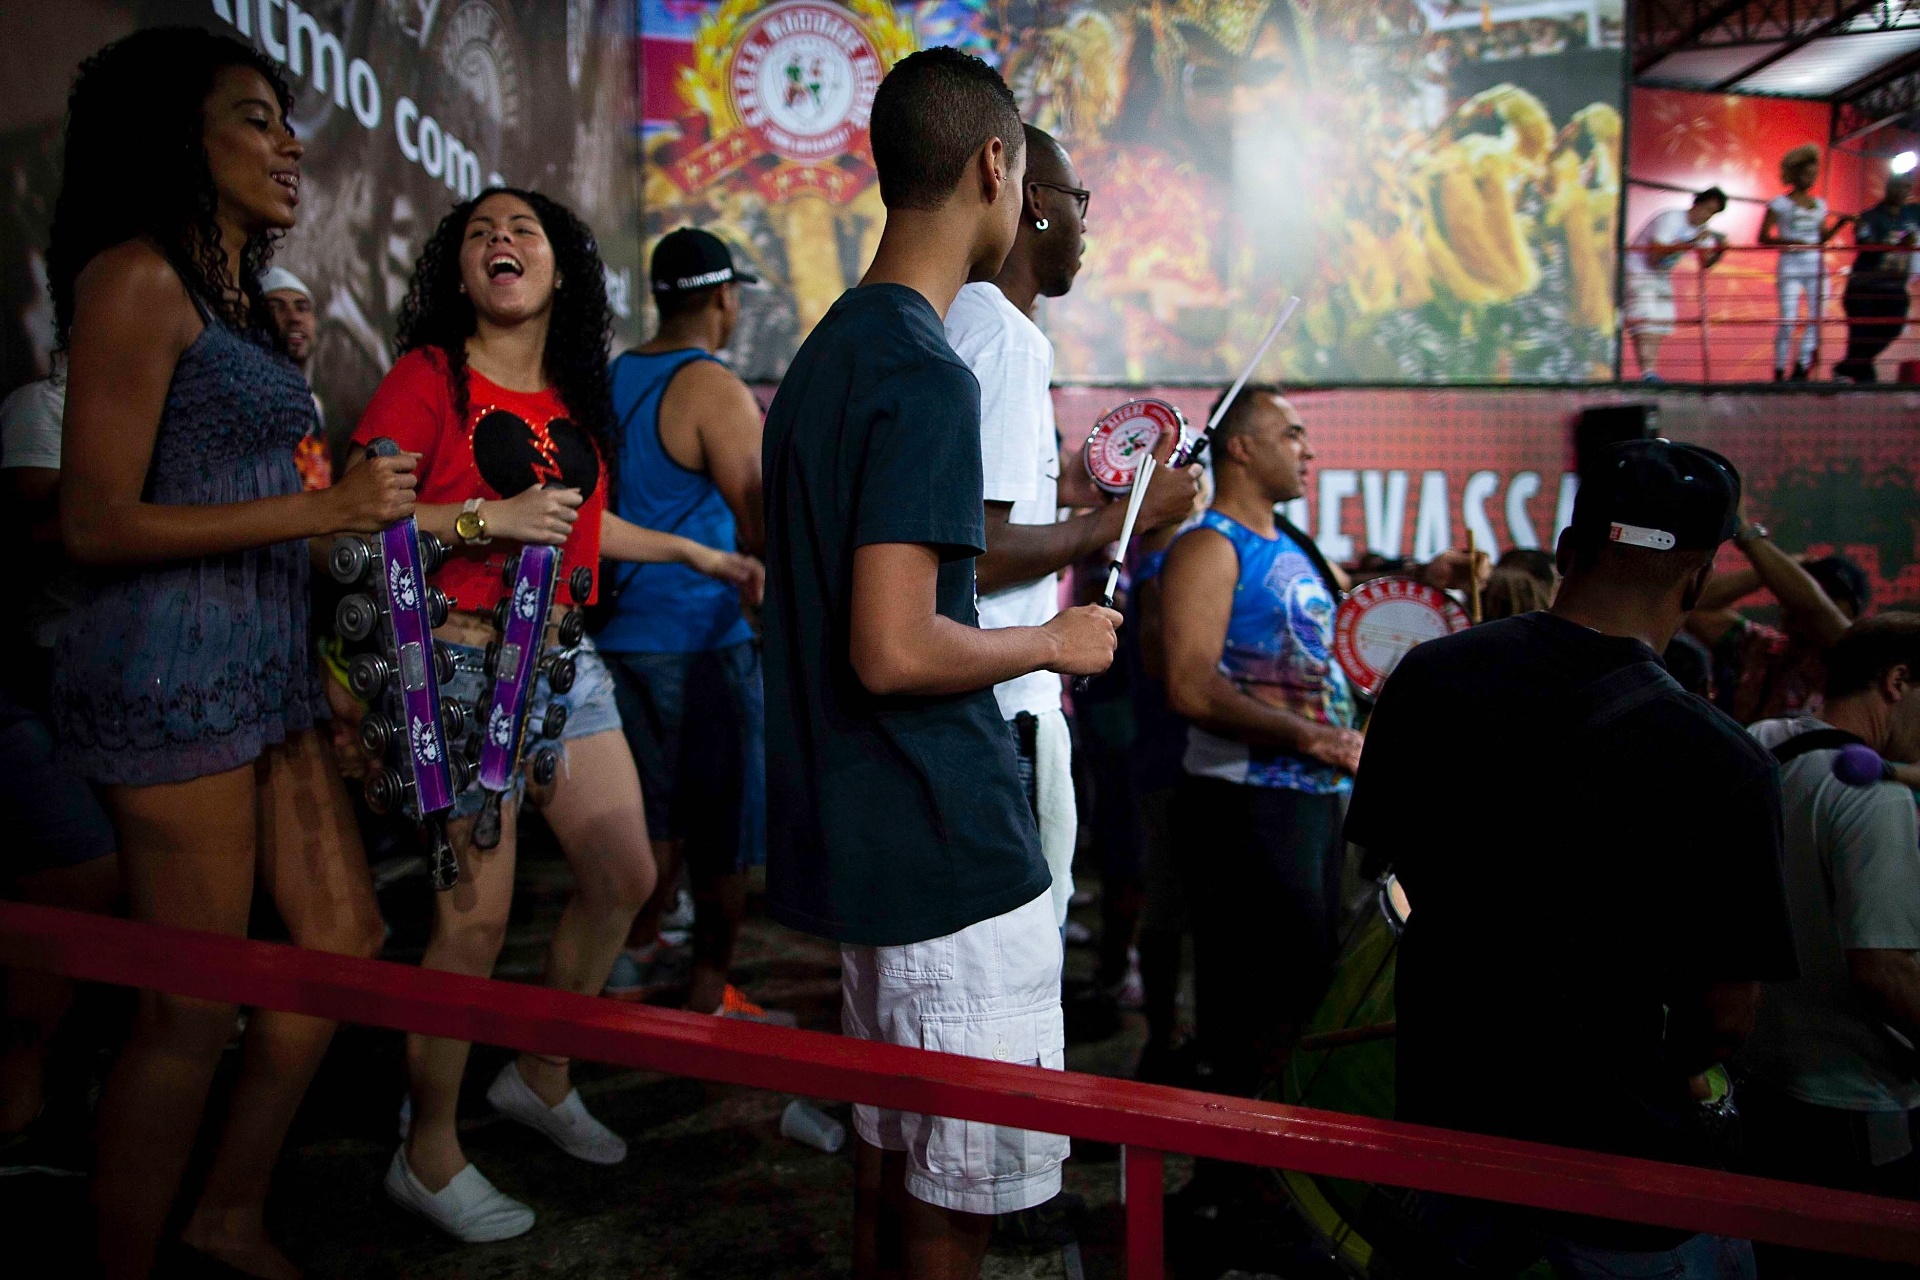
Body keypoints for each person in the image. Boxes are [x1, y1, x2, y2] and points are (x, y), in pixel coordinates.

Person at [48, 28, 415, 1279]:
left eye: (286, 118)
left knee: (342, 940)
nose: (288, 143)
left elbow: (272, 507)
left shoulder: (242, 305)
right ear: (178, 141)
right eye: (255, 118)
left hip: (266, 673)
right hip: (171, 676)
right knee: (191, 1005)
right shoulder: (135, 279)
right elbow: (94, 522)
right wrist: (324, 509)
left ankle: (226, 1208)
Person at [759, 48, 1120, 1280]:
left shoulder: (829, 353)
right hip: (943, 844)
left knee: (889, 1158)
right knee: (949, 1203)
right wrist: (1058, 639)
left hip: (873, 839)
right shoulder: (923, 368)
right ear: (993, 167)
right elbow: (896, 643)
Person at [350, 187, 755, 1242]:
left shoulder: (575, 396)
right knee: (473, 922)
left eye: (522, 228)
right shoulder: (429, 375)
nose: (501, 239)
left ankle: (539, 1071)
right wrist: (487, 518)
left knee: (625, 874)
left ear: (561, 268)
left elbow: (578, 526)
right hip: (457, 666)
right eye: (480, 231)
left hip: (565, 665)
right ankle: (427, 1151)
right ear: (459, 269)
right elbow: (357, 516)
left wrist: (697, 551)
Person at [1346, 438, 1798, 1280]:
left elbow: (1397, 863)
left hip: (1448, 1116)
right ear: (1697, 579)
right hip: (1615, 1159)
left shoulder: (1430, 677)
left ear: (1565, 548)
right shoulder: (1725, 762)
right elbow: (1726, 1017)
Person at [942, 122, 1198, 948]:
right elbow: (977, 554)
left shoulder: (954, 320)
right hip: (999, 706)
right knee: (1011, 963)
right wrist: (1129, 516)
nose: (1089, 227)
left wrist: (1092, 506)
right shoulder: (1007, 340)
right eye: (1081, 202)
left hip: (964, 699)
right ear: (1037, 203)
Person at [1158, 387, 1363, 1098]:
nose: (1308, 450)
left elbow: (1356, 616)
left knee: (1304, 993)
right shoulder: (1209, 547)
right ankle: (1232, 1160)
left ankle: (1281, 1149)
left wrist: (1431, 584)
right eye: (1291, 434)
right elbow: (1190, 687)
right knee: (1253, 1013)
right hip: (1246, 806)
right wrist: (1315, 739)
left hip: (1312, 802)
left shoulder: (1295, 543)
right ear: (1241, 447)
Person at [598, 226, 775, 1020]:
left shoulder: (612, 377)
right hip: (700, 640)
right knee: (722, 825)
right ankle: (709, 994)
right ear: (723, 298)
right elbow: (760, 527)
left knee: (651, 816)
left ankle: (632, 959)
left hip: (617, 638)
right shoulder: (711, 386)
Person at [1738, 616, 1920, 1277]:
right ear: (1897, 682)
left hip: (1763, 1091)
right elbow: (1883, 970)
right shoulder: (1876, 798)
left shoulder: (1762, 743)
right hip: (1857, 1114)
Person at [0, 358, 120, 1179]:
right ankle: (21, 1114)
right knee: (82, 881)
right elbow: (46, 527)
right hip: (38, 683)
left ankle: (69, 1105)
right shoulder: (42, 406)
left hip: (125, 682)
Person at [1686, 518, 1860, 725]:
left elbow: (1815, 610)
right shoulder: (1757, 648)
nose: (1798, 602)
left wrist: (1752, 540)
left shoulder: (1859, 667)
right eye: (1792, 592)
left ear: (1851, 615)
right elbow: (1693, 605)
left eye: (1830, 596)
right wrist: (1768, 572)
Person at [1759, 145, 1852, 381]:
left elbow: (1821, 237)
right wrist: (1789, 241)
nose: (1810, 178)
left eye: (1814, 174)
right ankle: (1779, 370)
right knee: (1788, 320)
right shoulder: (1779, 203)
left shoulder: (1820, 204)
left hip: (1816, 265)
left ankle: (1801, 368)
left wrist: (1840, 224)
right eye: (1806, 174)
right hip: (1790, 265)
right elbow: (1763, 237)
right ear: (1794, 174)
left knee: (1817, 316)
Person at [1624, 188, 1728, 381]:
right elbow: (1656, 253)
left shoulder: (1701, 231)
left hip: (1660, 274)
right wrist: (1690, 242)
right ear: (1697, 203)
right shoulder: (1671, 218)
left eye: (1712, 213)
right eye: (1707, 209)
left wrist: (1721, 250)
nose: (1707, 216)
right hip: (1637, 269)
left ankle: (1649, 372)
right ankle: (1647, 372)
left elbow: (1706, 263)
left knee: (1661, 320)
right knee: (1646, 317)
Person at [1835, 171, 1920, 384]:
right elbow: (1866, 247)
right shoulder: (1868, 217)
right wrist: (1897, 245)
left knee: (1894, 325)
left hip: (1894, 287)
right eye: (1900, 186)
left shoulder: (1913, 213)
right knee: (1860, 335)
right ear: (1889, 187)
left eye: (1908, 187)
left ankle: (1849, 367)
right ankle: (1861, 375)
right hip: (1864, 286)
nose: (1904, 192)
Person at [258, 265, 331, 489]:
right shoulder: (255, 403)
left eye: (302, 307)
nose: (294, 318)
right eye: (276, 307)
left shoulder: (315, 406)